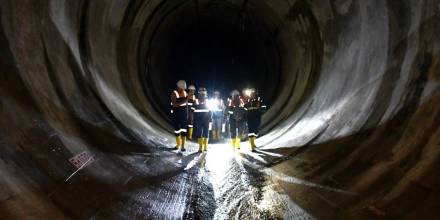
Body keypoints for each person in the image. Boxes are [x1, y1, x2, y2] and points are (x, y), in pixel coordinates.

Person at [170, 80, 189, 151]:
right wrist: (184, 100)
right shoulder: (174, 93)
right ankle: (178, 145)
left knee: (184, 130)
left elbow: (186, 105)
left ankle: (183, 146)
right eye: (182, 88)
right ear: (178, 87)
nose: (183, 89)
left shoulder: (185, 93)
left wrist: (187, 114)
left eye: (184, 88)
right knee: (177, 130)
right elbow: (174, 104)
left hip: (183, 114)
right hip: (176, 114)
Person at [192, 87, 211, 152]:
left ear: (205, 94)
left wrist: (211, 119)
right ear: (199, 94)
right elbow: (192, 111)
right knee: (199, 133)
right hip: (198, 120)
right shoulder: (196, 101)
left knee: (206, 133)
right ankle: (200, 147)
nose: (202, 95)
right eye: (201, 94)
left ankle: (205, 146)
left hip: (206, 120)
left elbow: (210, 111)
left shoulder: (208, 101)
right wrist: (192, 119)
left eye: (203, 94)